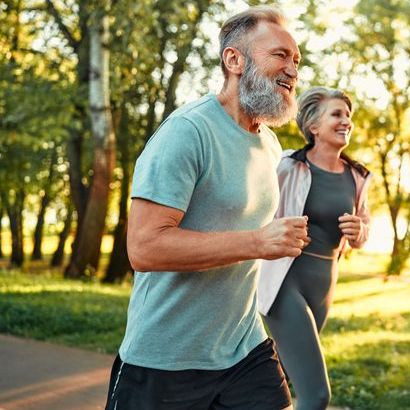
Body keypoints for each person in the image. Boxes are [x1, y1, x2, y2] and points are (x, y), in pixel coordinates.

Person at [105, 6, 308, 410]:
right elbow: (144, 248)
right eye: (280, 56)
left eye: (297, 60)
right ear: (234, 60)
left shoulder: (268, 144)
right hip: (166, 357)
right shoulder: (187, 132)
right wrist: (257, 242)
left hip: (243, 346)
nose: (292, 70)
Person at [258, 87, 372, 410]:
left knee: (278, 381)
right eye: (337, 114)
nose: (346, 121)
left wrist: (359, 230)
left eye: (348, 116)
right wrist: (278, 232)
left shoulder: (358, 177)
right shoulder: (287, 166)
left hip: (324, 284)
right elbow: (257, 213)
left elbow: (364, 232)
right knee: (316, 394)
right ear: (314, 127)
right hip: (285, 281)